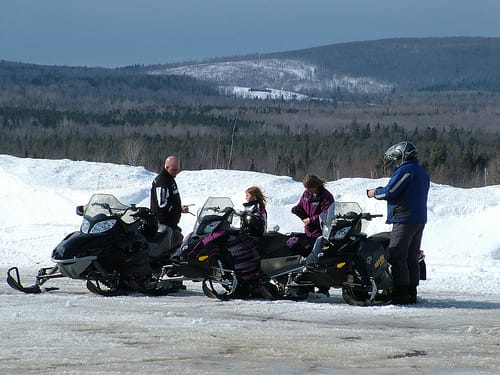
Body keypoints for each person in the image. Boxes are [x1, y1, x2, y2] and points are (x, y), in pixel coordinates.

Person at [367, 141, 429, 305]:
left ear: (403, 156)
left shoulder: (406, 170)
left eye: (396, 158)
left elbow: (391, 192)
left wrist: (374, 193)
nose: (395, 161)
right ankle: (411, 293)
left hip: (405, 219)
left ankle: (400, 295)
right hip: (418, 219)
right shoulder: (421, 172)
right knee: (411, 257)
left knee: (397, 256)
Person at [150, 155, 190, 256]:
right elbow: (162, 205)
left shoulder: (170, 178)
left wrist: (179, 209)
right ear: (167, 167)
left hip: (171, 225)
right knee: (164, 252)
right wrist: (178, 209)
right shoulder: (162, 181)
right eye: (174, 169)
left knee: (179, 242)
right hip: (164, 225)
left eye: (178, 169)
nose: (176, 171)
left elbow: (170, 202)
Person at [288, 174, 335, 256]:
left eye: (309, 188)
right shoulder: (306, 194)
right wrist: (297, 209)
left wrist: (311, 219)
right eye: (306, 188)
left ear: (315, 186)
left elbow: (326, 214)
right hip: (308, 231)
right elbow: (301, 205)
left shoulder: (326, 196)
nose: (307, 190)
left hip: (320, 232)